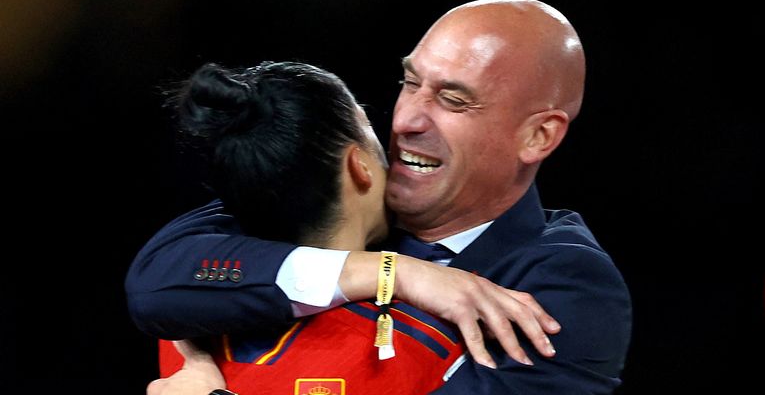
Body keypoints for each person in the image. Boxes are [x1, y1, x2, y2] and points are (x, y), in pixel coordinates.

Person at [127, 0, 632, 394]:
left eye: (453, 100)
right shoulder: (339, 194)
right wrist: (398, 274)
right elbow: (155, 282)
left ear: (538, 137)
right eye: (410, 82)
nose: (407, 120)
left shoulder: (564, 287)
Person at [141, 59, 558, 395]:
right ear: (359, 165)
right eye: (369, 128)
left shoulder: (183, 327)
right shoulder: (437, 336)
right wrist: (395, 272)